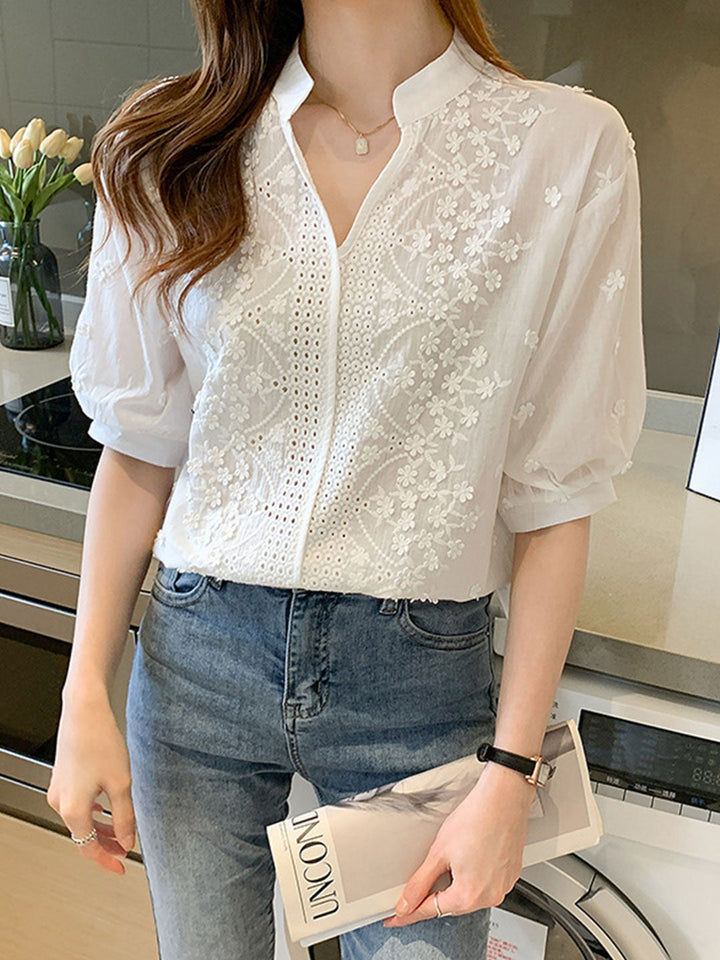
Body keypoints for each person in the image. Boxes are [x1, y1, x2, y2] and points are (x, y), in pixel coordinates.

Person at [48, 0, 646, 958]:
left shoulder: (566, 149)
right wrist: (84, 690)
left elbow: (555, 494)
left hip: (416, 682)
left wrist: (511, 770)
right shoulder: (169, 142)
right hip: (198, 661)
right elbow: (139, 447)